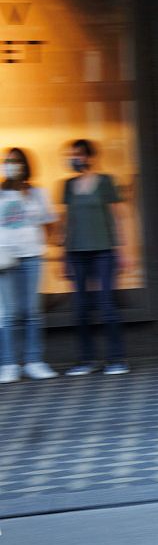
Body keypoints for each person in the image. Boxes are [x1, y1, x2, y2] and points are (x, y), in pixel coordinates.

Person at [61, 139, 128, 376]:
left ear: (90, 157)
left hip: (104, 250)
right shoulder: (68, 185)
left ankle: (116, 360)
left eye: (78, 155)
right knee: (80, 307)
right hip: (77, 252)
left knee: (107, 304)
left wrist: (123, 250)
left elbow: (118, 217)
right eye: (71, 155)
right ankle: (85, 361)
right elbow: (67, 221)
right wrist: (64, 255)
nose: (73, 159)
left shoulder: (105, 181)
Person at [0, 149, 57, 382]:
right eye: (8, 161)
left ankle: (34, 361)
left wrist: (42, 241)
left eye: (16, 161)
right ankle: (9, 364)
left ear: (24, 166)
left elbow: (50, 223)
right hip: (5, 259)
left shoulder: (37, 193)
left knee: (32, 312)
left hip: (32, 256)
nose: (11, 165)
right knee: (8, 314)